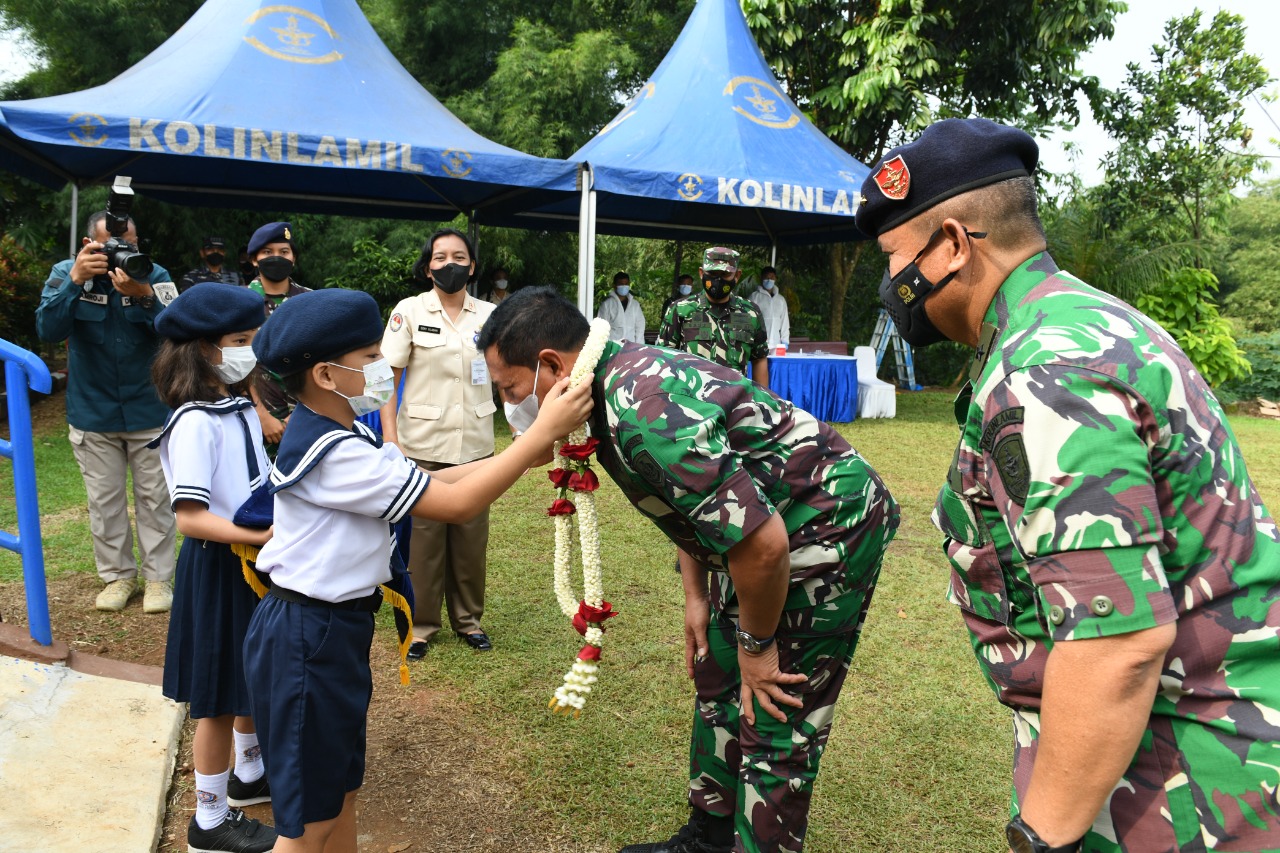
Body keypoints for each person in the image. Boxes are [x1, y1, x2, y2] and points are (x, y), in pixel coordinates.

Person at [856, 117, 1280, 853]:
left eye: (894, 258)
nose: (890, 285)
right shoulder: (1084, 322)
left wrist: (1040, 838)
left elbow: (1117, 645)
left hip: (1193, 789)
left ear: (953, 245)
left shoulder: (1045, 370)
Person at [480, 288, 899, 853]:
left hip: (822, 525)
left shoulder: (643, 411)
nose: (509, 405)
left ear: (552, 366)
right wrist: (697, 597)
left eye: (510, 389)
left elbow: (765, 546)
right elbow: (699, 507)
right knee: (717, 674)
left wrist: (757, 645)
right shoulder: (603, 385)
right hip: (754, 530)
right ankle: (709, 836)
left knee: (775, 708)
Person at [244, 288, 592, 852]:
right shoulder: (336, 454)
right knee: (306, 825)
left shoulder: (344, 434)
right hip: (306, 638)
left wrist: (524, 455)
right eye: (368, 358)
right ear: (326, 376)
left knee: (339, 794)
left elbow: (436, 484)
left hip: (330, 630)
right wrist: (536, 436)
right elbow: (454, 506)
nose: (384, 368)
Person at [149, 283, 278, 853]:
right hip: (219, 564)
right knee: (218, 698)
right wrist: (265, 533)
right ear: (203, 348)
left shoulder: (235, 406)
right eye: (241, 341)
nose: (251, 351)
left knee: (247, 676)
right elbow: (192, 519)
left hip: (247, 561)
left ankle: (250, 774)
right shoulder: (195, 420)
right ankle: (209, 815)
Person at [35, 209, 179, 613]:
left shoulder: (154, 273)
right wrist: (76, 281)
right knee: (105, 501)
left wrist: (145, 294)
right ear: (87, 245)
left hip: (149, 409)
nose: (122, 251)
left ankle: (157, 580)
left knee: (155, 499)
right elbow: (47, 329)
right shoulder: (67, 272)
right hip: (93, 411)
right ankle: (117, 578)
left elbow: (181, 332)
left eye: (129, 244)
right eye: (110, 245)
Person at [379, 229, 498, 655]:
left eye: (459, 256)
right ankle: (423, 625)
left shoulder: (489, 315)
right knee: (423, 544)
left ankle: (469, 621)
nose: (450, 264)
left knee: (470, 540)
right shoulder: (409, 311)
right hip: (421, 444)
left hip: (476, 444)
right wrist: (390, 439)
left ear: (472, 265)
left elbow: (509, 374)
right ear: (427, 265)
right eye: (441, 256)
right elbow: (388, 380)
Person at [657, 248, 769, 389]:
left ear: (737, 275)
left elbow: (759, 359)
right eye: (712, 273)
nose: (718, 280)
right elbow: (663, 357)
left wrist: (762, 402)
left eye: (725, 274)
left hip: (736, 403)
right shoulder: (680, 309)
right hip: (692, 404)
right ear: (701, 273)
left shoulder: (750, 313)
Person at [244, 221, 310, 450]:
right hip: (254, 420)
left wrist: (303, 412)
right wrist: (261, 415)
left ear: (294, 258)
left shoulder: (310, 302)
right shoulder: (240, 303)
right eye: (267, 252)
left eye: (284, 252)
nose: (276, 257)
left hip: (307, 417)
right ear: (254, 259)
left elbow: (322, 359)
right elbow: (233, 365)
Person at [178, 236, 243, 293]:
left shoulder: (236, 276)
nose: (216, 252)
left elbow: (243, 299)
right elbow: (187, 301)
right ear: (202, 253)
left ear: (224, 253)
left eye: (220, 249)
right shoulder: (191, 277)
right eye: (210, 249)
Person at [748, 266, 789, 354]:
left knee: (775, 367)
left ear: (775, 279)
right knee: (760, 367)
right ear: (762, 278)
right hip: (759, 343)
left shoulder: (781, 300)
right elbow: (749, 320)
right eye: (767, 277)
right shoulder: (754, 297)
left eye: (772, 277)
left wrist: (785, 341)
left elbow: (785, 323)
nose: (769, 280)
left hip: (777, 344)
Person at [597, 271, 646, 343]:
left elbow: (640, 326)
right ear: (614, 285)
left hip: (631, 347)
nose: (624, 286)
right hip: (613, 347)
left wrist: (639, 346)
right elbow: (601, 329)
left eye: (626, 284)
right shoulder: (607, 305)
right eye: (621, 284)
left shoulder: (635, 305)